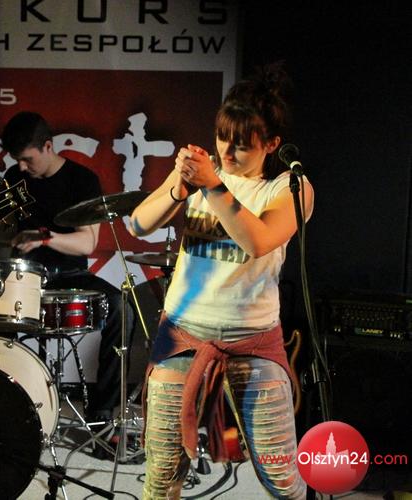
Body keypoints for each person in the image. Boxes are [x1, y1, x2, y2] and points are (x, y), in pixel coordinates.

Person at [130, 63, 313, 499]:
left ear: (271, 144)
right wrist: (179, 186)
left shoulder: (290, 188)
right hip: (181, 336)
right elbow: (138, 223)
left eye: (242, 145)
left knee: (282, 479)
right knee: (161, 476)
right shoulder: (208, 174)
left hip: (252, 341)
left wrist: (212, 186)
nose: (228, 153)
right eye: (222, 138)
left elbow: (258, 241)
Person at [0, 111, 135, 426]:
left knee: (122, 308)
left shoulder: (82, 180)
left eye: (27, 159)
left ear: (48, 146)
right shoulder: (14, 178)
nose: (22, 167)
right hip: (25, 278)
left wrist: (45, 238)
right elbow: (1, 230)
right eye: (17, 160)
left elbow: (86, 243)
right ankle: (2, 409)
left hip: (71, 277)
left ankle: (102, 414)